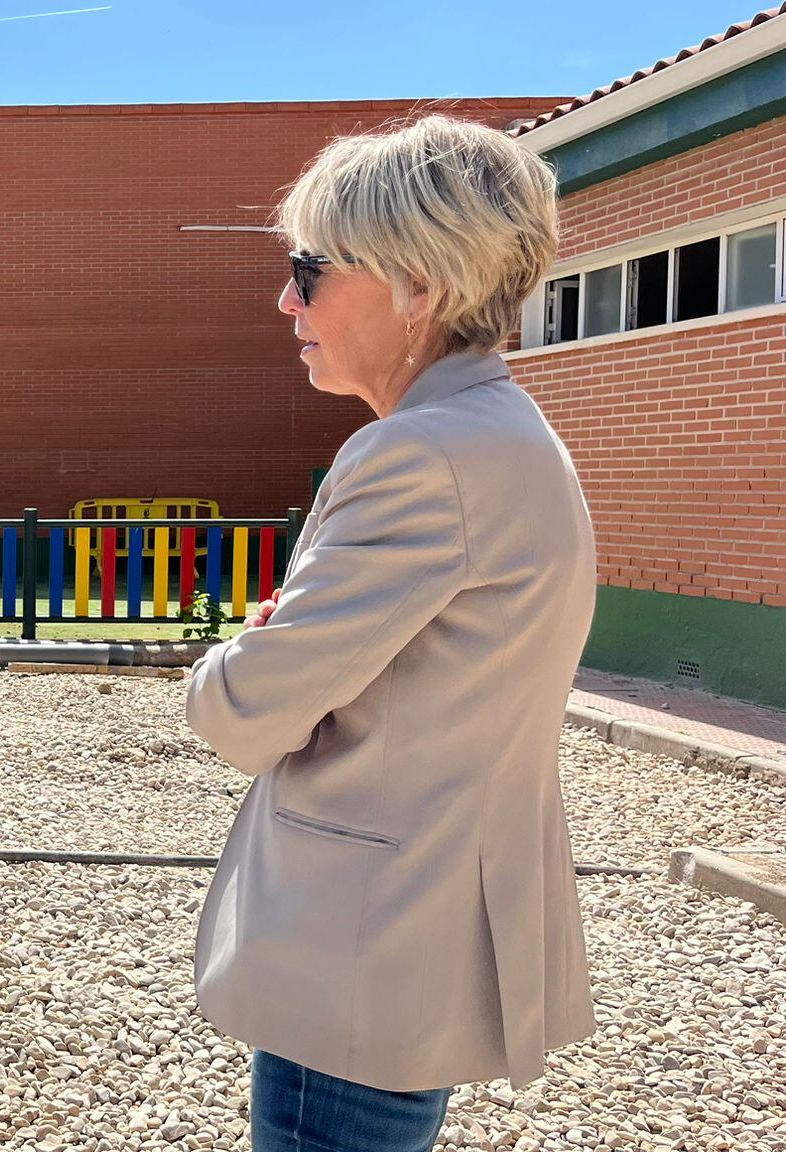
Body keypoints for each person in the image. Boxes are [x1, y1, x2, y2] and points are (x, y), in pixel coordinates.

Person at [184, 115, 598, 1152]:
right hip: (406, 933)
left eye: (308, 268)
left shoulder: (418, 456)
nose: (286, 298)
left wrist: (233, 659)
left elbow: (242, 711)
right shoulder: (503, 436)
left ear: (419, 281)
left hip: (359, 949)